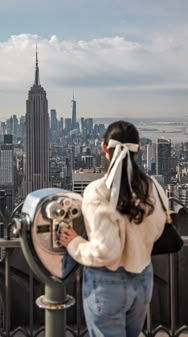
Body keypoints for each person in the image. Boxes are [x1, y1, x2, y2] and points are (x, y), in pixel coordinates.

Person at [59, 120, 168, 337]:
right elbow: (159, 228)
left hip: (107, 285)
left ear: (103, 148)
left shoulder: (98, 191)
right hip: (143, 279)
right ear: (137, 152)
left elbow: (105, 252)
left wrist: (74, 243)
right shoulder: (152, 187)